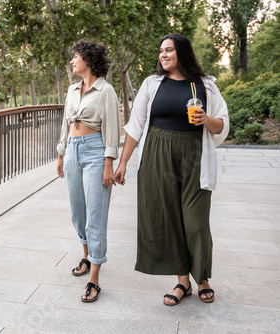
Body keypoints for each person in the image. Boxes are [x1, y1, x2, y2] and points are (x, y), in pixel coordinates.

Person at [113, 33, 229, 306]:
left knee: (196, 222)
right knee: (168, 220)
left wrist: (207, 119)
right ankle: (182, 283)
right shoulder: (152, 84)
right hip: (157, 157)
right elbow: (135, 125)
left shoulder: (205, 86)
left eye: (168, 50)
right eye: (161, 51)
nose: (163, 55)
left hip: (194, 158)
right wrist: (122, 162)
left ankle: (203, 278)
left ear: (182, 53)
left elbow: (222, 125)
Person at [56, 38, 121, 303]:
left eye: (76, 57)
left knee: (95, 215)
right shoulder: (72, 90)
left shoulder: (106, 91)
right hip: (72, 150)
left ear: (89, 60)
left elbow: (112, 130)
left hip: (96, 152)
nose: (72, 61)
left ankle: (94, 279)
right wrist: (61, 153)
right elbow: (65, 123)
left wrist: (109, 162)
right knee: (78, 212)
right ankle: (85, 255)